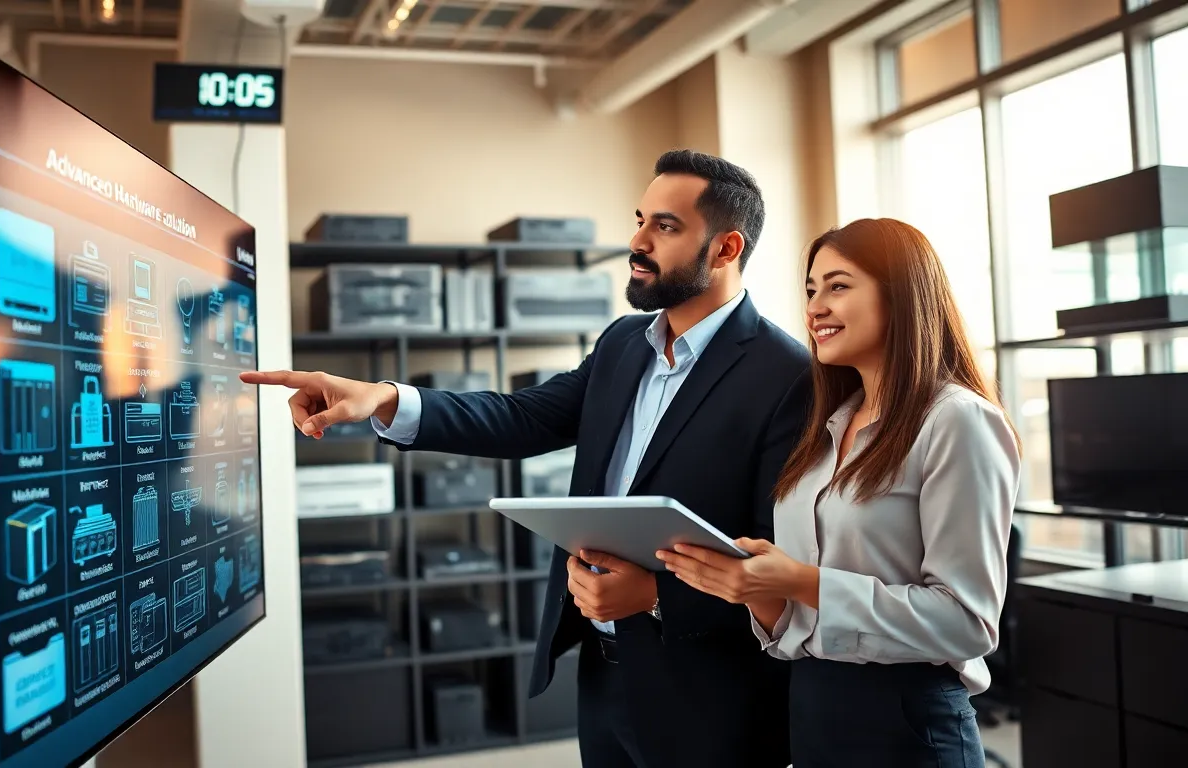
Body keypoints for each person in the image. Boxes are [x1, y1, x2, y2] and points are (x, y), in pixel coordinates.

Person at [242, 149, 810, 768]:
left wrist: (654, 598)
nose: (637, 241)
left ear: (726, 248)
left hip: (709, 698)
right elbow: (522, 417)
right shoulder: (625, 343)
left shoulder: (788, 376)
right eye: (640, 218)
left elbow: (787, 562)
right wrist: (383, 399)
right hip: (601, 675)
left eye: (665, 227)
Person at [657, 217, 1022, 768]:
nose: (814, 308)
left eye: (838, 286)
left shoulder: (957, 421)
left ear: (901, 295)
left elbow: (964, 622)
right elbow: (801, 620)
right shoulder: (828, 427)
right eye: (810, 291)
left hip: (908, 722)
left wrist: (802, 580)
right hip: (812, 711)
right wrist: (756, 589)